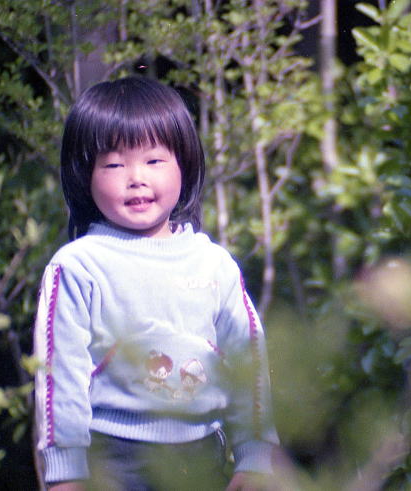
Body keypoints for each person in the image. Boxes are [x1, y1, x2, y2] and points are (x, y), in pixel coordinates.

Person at [33, 76, 280, 490]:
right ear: (85, 175)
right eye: (114, 164)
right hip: (114, 461)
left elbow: (248, 360)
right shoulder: (78, 266)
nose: (136, 178)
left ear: (184, 164)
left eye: (154, 160)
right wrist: (65, 472)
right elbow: (60, 376)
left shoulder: (213, 264)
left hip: (203, 457)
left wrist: (255, 456)